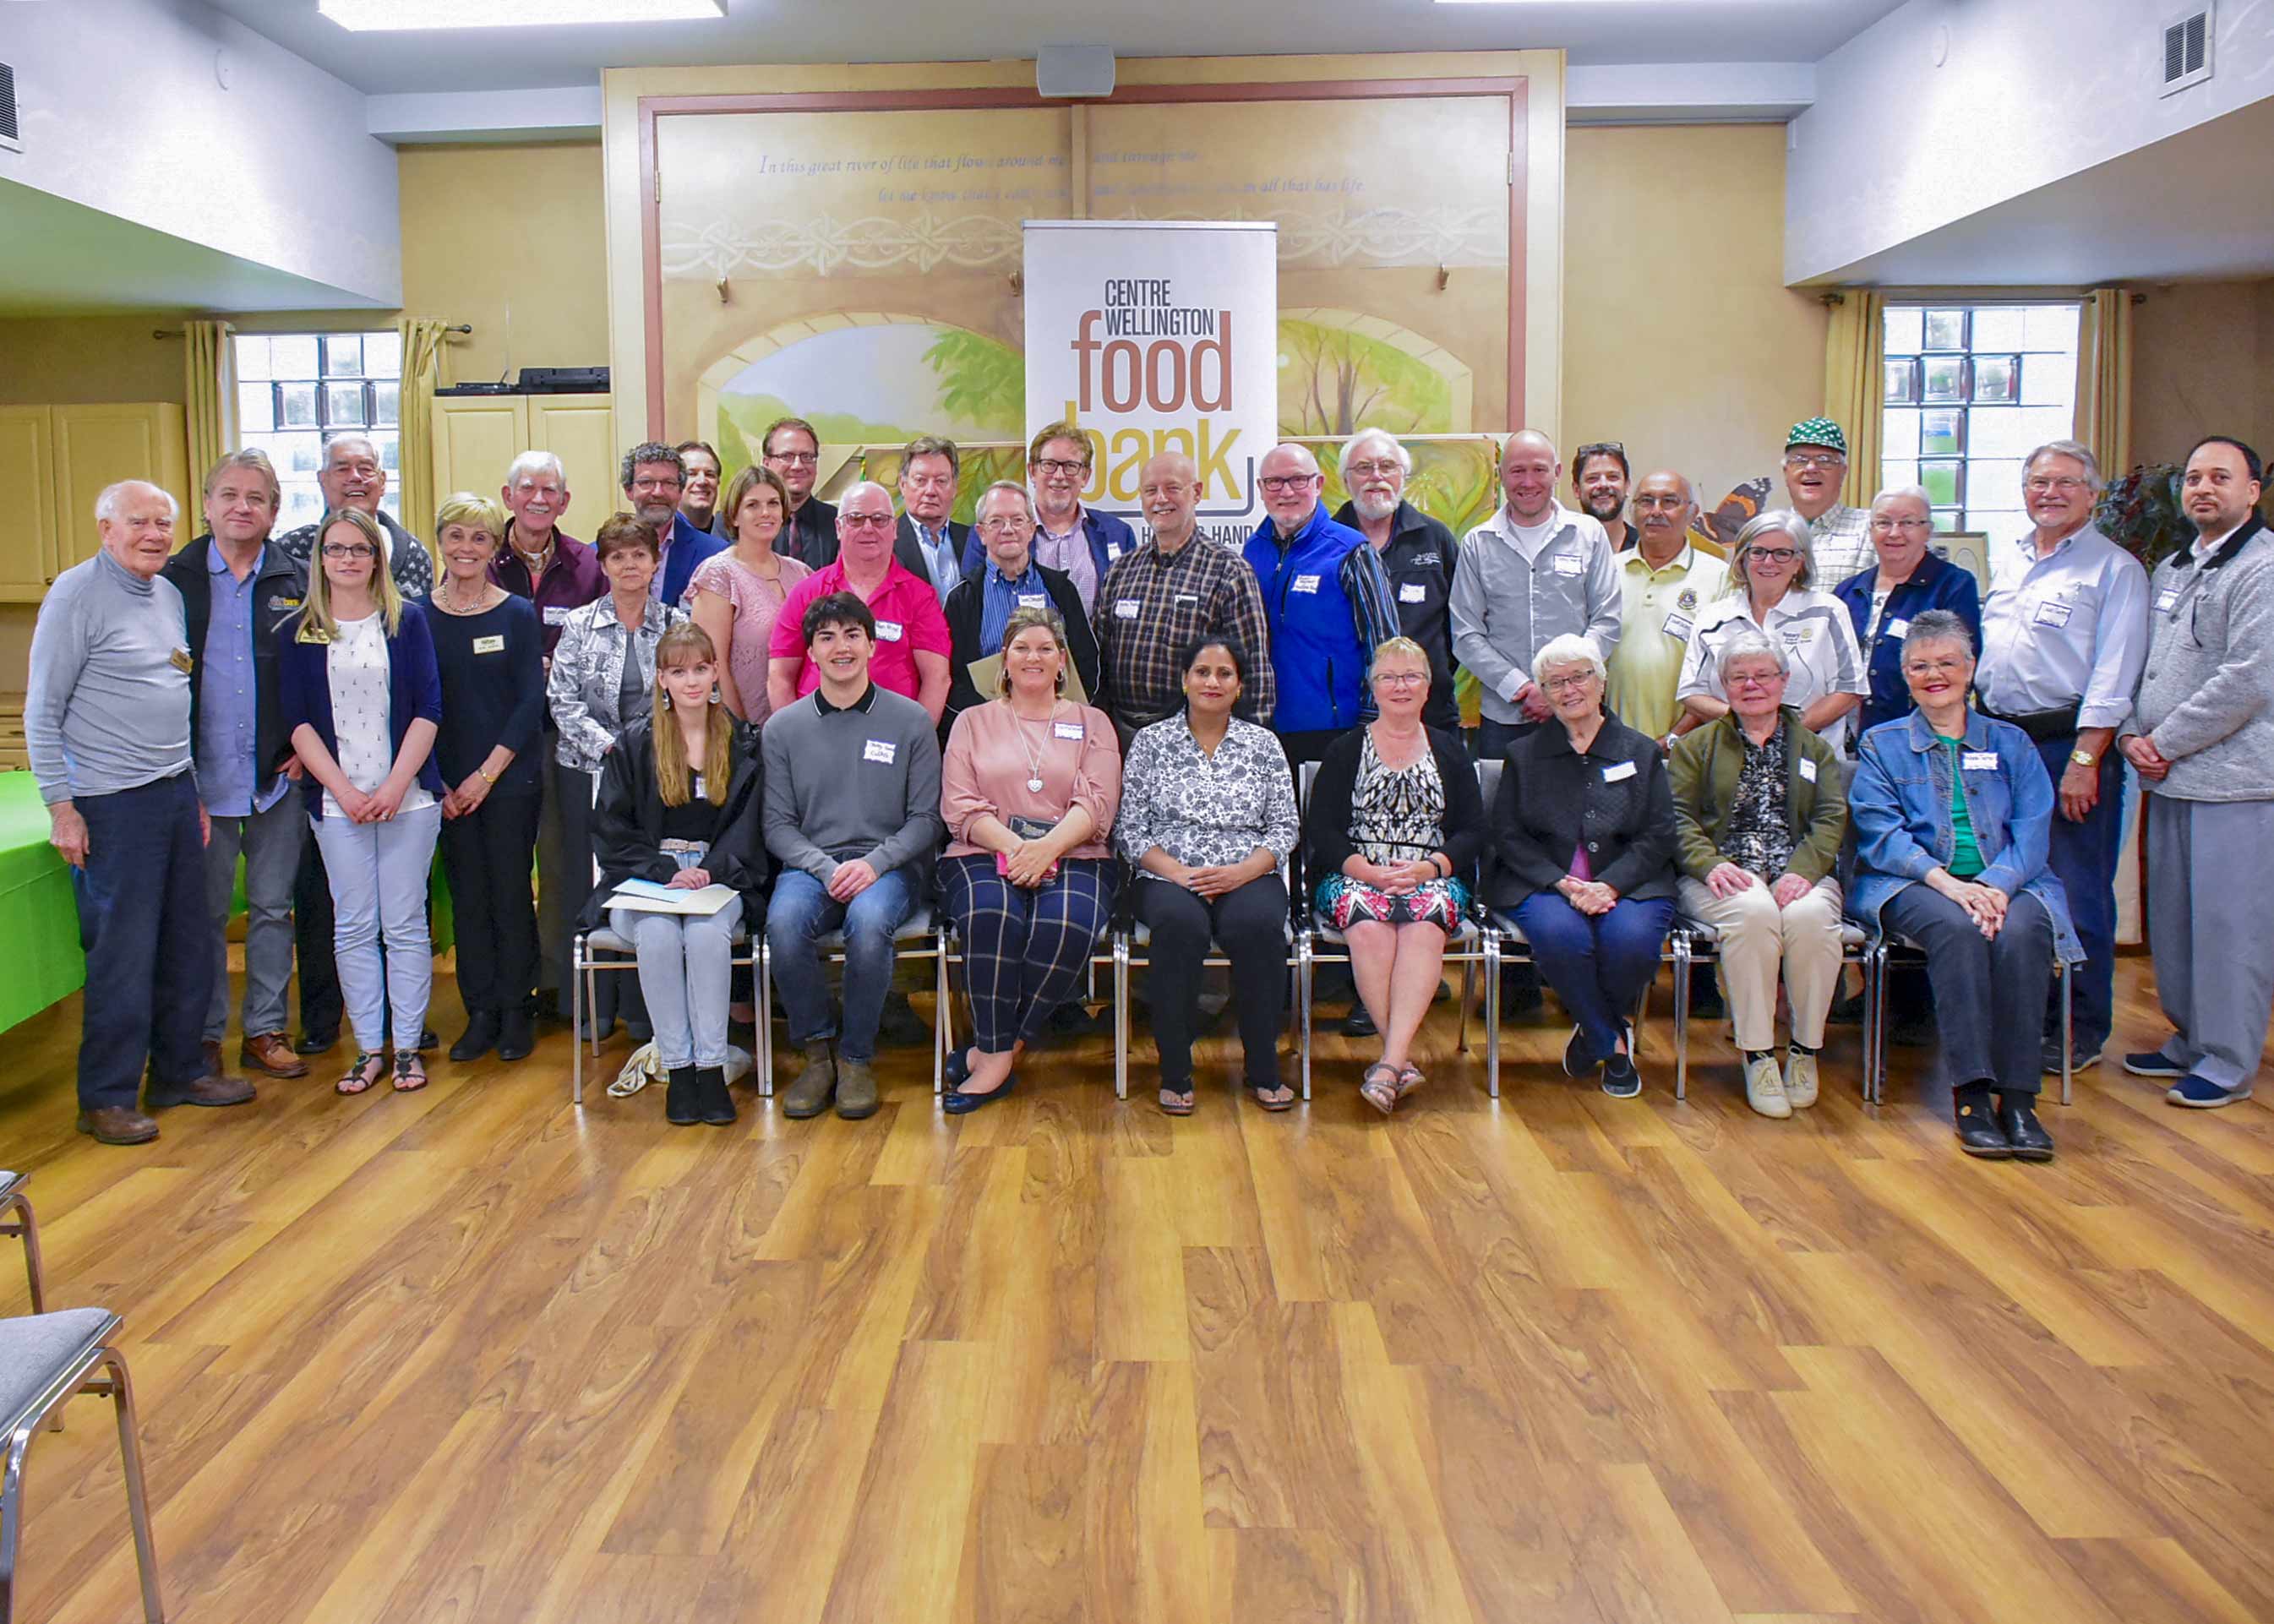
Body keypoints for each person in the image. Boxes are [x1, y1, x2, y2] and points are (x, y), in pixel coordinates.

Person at [28, 480, 255, 1146]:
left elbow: (173, 690)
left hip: (173, 793)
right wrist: (61, 807)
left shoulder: (167, 594)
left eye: (164, 522)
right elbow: (42, 711)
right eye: (138, 522)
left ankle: (180, 1071)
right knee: (123, 953)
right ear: (105, 528)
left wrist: (191, 791)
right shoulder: (75, 595)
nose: (154, 533)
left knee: (190, 939)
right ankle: (106, 1096)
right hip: (107, 801)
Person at [1849, 610, 2080, 1157]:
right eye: (1919, 666)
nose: (1934, 675)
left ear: (1970, 666)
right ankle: (1972, 1094)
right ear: (1905, 675)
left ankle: (2020, 1099)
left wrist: (1997, 885)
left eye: (1946, 663)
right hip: (1911, 884)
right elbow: (1880, 835)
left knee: (2023, 935)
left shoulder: (2011, 743)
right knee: (1957, 930)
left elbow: (2031, 829)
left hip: (2011, 883)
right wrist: (1951, 886)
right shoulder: (1881, 744)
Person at [1977, 440, 2147, 1074]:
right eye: (2037, 482)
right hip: (2000, 744)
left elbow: (2115, 670)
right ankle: (2022, 1016)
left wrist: (2086, 755)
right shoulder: (2014, 561)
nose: (2048, 493)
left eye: (2064, 483)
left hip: (2067, 747)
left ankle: (2078, 1027)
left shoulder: (2114, 570)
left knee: (2075, 891)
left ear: (2092, 494)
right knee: (2006, 883)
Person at [2120, 435, 2273, 1109]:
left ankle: (2228, 1058)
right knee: (2176, 921)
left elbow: (2248, 679)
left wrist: (2166, 739)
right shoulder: (2174, 568)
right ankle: (2188, 1038)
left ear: (2252, 491)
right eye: (2192, 478)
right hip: (2169, 776)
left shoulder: (2261, 570)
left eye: (2220, 477)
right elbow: (2144, 662)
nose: (2202, 489)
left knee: (2227, 926)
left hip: (2233, 781)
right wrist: (2131, 734)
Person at [279, 505, 445, 1098]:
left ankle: (406, 1049)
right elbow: (297, 722)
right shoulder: (300, 631)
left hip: (410, 798)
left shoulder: (408, 622)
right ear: (320, 560)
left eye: (359, 549)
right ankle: (368, 1048)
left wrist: (396, 785)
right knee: (351, 928)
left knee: (403, 925)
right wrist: (345, 791)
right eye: (336, 549)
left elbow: (429, 708)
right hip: (336, 803)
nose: (347, 559)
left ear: (378, 558)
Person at [762, 593, 946, 1120]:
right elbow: (776, 825)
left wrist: (873, 864)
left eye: (851, 635)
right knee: (785, 922)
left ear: (871, 644)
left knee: (869, 926)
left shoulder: (911, 721)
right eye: (826, 638)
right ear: (811, 653)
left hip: (889, 866)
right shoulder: (784, 728)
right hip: (812, 864)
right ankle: (817, 1053)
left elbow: (926, 819)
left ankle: (857, 1056)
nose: (840, 647)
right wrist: (824, 867)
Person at [160, 449, 309, 1083]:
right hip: (197, 777)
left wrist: (308, 746)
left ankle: (266, 1029)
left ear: (274, 511)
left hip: (279, 776)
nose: (242, 507)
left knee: (274, 907)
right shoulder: (171, 580)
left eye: (256, 498)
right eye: (229, 495)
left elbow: (320, 673)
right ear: (206, 504)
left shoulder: (299, 580)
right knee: (206, 914)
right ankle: (202, 1036)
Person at [936, 606, 1122, 1114]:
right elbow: (959, 805)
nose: (1033, 657)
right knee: (992, 915)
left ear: (1062, 661)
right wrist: (1019, 849)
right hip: (983, 851)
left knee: (1067, 922)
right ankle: (997, 1058)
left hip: (1077, 852)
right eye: (1022, 648)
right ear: (1005, 659)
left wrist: (1047, 848)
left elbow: (1098, 801)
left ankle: (999, 1045)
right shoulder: (972, 721)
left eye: (1045, 648)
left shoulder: (1093, 721)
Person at [591, 623, 768, 1127]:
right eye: (678, 671)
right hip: (648, 879)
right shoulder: (633, 743)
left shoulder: (743, 741)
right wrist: (664, 870)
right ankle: (678, 1068)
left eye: (700, 668)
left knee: (709, 935)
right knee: (658, 934)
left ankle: (711, 1069)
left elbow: (750, 826)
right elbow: (611, 828)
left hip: (719, 876)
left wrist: (708, 870)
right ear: (661, 679)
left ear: (715, 672)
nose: (691, 681)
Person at [1669, 633, 1849, 1118]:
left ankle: (1805, 1051)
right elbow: (1677, 818)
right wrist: (1711, 865)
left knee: (1811, 920)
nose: (1752, 685)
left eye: (1763, 675)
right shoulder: (1696, 748)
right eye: (1738, 677)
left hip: (1799, 873)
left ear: (1785, 682)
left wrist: (1804, 872)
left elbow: (1831, 818)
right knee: (1753, 912)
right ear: (1724, 686)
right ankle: (1758, 1053)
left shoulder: (1814, 749)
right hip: (1721, 876)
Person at [1118, 635, 1300, 1114]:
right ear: (1184, 680)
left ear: (1240, 686)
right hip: (1167, 876)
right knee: (1180, 927)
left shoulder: (1263, 744)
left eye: (1224, 674)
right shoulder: (1151, 743)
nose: (1212, 682)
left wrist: (1241, 873)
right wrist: (1178, 873)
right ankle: (1175, 1071)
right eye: (1202, 672)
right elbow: (1130, 829)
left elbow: (1285, 828)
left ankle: (1263, 1068)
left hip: (1248, 872)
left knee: (1257, 928)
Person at [1489, 633, 1676, 1098]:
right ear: (1544, 695)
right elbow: (1509, 836)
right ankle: (1611, 1041)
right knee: (1562, 936)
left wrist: (1610, 885)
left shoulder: (1640, 751)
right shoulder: (1524, 755)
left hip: (1630, 880)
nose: (1570, 690)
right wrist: (1563, 883)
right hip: (1545, 883)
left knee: (1631, 940)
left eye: (1579, 677)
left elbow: (1659, 835)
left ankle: (1594, 1027)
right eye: (1555, 684)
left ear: (1602, 682)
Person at [1304, 637, 1485, 1114]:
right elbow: (1321, 830)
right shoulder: (1346, 749)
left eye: (1411, 677)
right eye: (1388, 677)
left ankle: (1389, 1062)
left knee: (1425, 925)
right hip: (1357, 871)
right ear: (1372, 688)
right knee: (1367, 926)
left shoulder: (1450, 749)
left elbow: (1472, 831)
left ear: (1428, 688)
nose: (1399, 686)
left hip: (1431, 872)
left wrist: (1430, 867)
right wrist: (1366, 871)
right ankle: (1397, 1060)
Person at [548, 515, 688, 1036]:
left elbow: (683, 693)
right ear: (604, 565)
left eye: (639, 555)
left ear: (655, 562)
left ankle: (641, 1009)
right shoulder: (578, 624)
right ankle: (593, 1006)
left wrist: (643, 753)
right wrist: (612, 748)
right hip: (588, 771)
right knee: (591, 884)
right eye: (618, 557)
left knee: (645, 880)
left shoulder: (676, 622)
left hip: (656, 774)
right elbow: (561, 702)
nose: (630, 565)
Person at [427, 493, 545, 1064]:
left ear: (493, 548)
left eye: (478, 538)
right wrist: (442, 782)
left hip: (507, 779)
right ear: (441, 543)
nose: (466, 549)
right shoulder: (418, 615)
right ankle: (480, 1012)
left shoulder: (517, 613)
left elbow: (529, 701)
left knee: (510, 892)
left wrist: (484, 775)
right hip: (444, 787)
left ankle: (517, 1009)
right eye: (456, 537)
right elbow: (415, 704)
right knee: (468, 896)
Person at [489, 449, 606, 1019]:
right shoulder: (479, 558)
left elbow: (607, 641)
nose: (539, 498)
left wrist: (559, 671)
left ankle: (562, 984)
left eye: (550, 490)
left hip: (565, 737)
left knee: (564, 861)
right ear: (508, 497)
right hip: (495, 737)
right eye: (527, 488)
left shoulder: (587, 566)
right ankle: (509, 990)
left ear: (564, 502)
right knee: (507, 866)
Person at [1451, 429, 1622, 761]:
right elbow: (1466, 634)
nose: (1528, 481)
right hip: (1504, 718)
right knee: (1504, 809)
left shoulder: (1588, 535)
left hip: (1579, 713)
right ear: (1501, 476)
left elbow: (1607, 621)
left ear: (1557, 473)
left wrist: (1560, 687)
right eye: (1517, 471)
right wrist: (1521, 688)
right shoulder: (1478, 543)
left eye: (1539, 470)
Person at [1093, 451, 1276, 742]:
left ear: (1197, 493)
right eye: (1151, 491)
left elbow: (1253, 669)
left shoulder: (1228, 571)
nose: (1160, 499)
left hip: (1195, 736)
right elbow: (1098, 660)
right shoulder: (1121, 571)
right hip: (1120, 732)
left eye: (1173, 488)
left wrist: (1245, 746)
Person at [1244, 442, 1400, 766]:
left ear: (1318, 484)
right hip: (1263, 727)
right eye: (1274, 482)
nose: (1286, 491)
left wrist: (1371, 721)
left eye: (1298, 480)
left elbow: (1385, 644)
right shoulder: (1252, 551)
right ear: (1260, 489)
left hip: (1336, 729)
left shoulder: (1351, 551)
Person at [1678, 510, 1868, 753]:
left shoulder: (1828, 612)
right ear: (1742, 559)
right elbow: (1691, 693)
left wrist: (1785, 732)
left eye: (1782, 553)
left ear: (1799, 562)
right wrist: (1748, 724)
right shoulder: (1713, 617)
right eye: (1758, 552)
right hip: (1729, 756)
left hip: (1810, 758)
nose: (1769, 562)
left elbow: (1850, 690)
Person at [767, 481, 951, 720]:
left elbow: (937, 678)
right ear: (838, 527)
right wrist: (793, 740)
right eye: (855, 519)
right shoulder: (807, 592)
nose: (868, 528)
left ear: (894, 528)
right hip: (815, 738)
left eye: (879, 519)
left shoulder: (920, 597)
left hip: (893, 739)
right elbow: (780, 676)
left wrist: (915, 741)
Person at [941, 482, 1100, 737]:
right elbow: (951, 677)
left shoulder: (1061, 590)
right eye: (996, 521)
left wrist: (1066, 715)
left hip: (1055, 729)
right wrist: (994, 720)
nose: (1008, 530)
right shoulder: (962, 598)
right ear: (981, 532)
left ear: (1031, 529)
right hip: (989, 732)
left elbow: (1087, 664)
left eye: (1017, 520)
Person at [1333, 428, 1459, 733]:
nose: (1377, 477)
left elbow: (1460, 624)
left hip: (1431, 712)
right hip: (1350, 715)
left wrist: (1431, 672)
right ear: (1345, 481)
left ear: (1404, 476)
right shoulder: (1328, 543)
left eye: (1387, 466)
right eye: (1364, 468)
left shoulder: (1436, 538)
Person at [1833, 484, 1982, 738]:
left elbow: (1959, 668)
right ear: (1870, 530)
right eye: (1883, 522)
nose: (1894, 533)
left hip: (1919, 738)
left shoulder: (1954, 585)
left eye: (1907, 523)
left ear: (1928, 531)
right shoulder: (1848, 592)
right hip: (1844, 737)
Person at [957, 421, 1137, 615]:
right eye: (1049, 465)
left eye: (1071, 466)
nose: (1059, 476)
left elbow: (1130, 604)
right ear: (1032, 471)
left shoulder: (1118, 533)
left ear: (1085, 476)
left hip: (1094, 645)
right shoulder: (993, 533)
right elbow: (971, 606)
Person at [1605, 470, 1729, 750]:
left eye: (1669, 502)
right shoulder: (1608, 571)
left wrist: (1674, 738)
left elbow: (1721, 676)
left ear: (1693, 512)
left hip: (1690, 748)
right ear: (1632, 509)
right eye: (1646, 501)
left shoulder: (1720, 577)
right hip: (1613, 744)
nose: (1656, 511)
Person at [686, 463, 812, 725]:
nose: (765, 513)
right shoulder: (719, 574)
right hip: (741, 733)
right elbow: (711, 665)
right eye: (753, 505)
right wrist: (743, 734)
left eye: (773, 503)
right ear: (734, 516)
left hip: (799, 728)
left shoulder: (801, 573)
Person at [272, 433, 434, 601]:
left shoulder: (415, 555)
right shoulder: (290, 551)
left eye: (366, 469)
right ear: (323, 480)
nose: (355, 477)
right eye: (342, 469)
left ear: (383, 481)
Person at [620, 442, 724, 608]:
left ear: (680, 490)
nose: (658, 492)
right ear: (629, 490)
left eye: (669, 483)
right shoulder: (600, 555)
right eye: (647, 482)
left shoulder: (715, 555)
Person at [1776, 417, 1873, 591]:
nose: (1811, 468)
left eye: (1825, 460)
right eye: (1800, 459)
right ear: (1786, 471)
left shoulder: (1872, 529)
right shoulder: (1768, 531)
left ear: (1843, 471)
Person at [896, 435, 972, 603]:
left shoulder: (973, 540)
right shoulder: (887, 542)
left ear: (954, 487)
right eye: (920, 480)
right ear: (903, 484)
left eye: (941, 481)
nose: (930, 490)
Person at [762, 416, 840, 567]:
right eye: (786, 456)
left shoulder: (838, 523)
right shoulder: (738, 524)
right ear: (766, 464)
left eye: (807, 456)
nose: (798, 466)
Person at [1573, 441, 1636, 551]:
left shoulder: (1648, 548)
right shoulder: (1560, 545)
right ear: (1576, 490)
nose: (1603, 485)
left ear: (1627, 486)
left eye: (1612, 477)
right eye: (1592, 478)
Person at [675, 439, 724, 536]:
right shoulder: (661, 539)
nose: (702, 481)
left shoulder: (732, 539)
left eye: (709, 474)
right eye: (691, 474)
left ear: (718, 481)